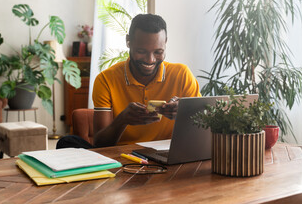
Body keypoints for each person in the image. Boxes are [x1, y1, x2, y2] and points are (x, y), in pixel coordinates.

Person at [57, 14, 201, 149]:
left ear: (166, 43)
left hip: (166, 157)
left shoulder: (182, 75)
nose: (150, 60)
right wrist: (122, 120)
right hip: (122, 158)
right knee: (66, 143)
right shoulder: (106, 80)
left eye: (158, 52)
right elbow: (100, 144)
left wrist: (185, 112)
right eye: (141, 51)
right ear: (128, 41)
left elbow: (202, 129)